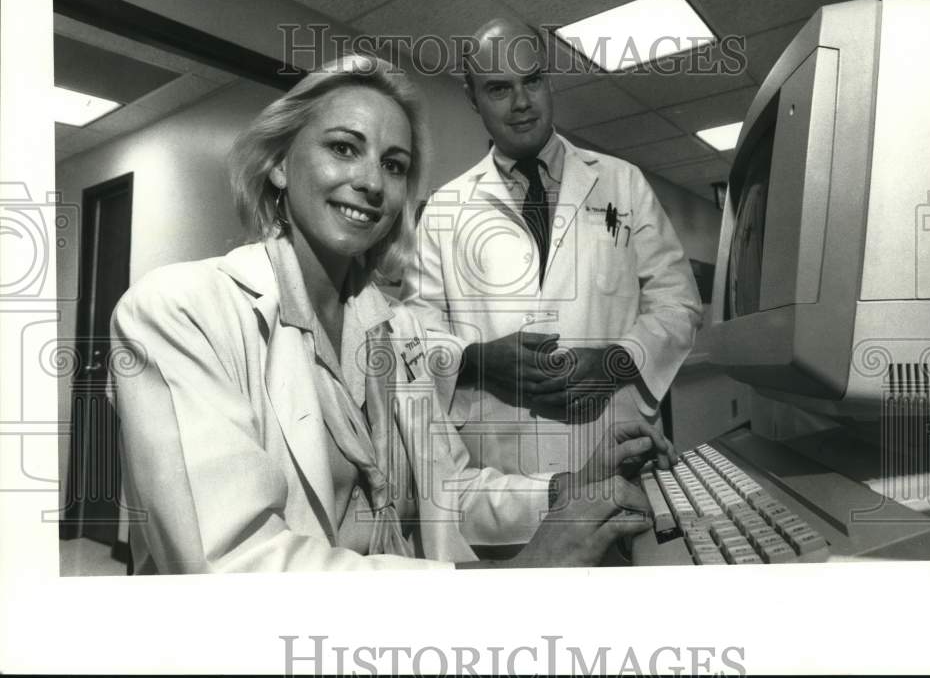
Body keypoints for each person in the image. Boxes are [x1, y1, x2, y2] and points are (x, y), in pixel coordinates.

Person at [108, 53, 675, 574]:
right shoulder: (179, 313)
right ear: (279, 163)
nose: (372, 182)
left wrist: (566, 490)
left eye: (395, 164)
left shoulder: (399, 333)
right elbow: (234, 567)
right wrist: (517, 579)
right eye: (343, 148)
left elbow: (448, 492)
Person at [401, 19, 702, 477]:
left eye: (533, 81)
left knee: (631, 547)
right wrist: (478, 360)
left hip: (613, 446)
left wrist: (615, 361)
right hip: (498, 468)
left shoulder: (623, 183)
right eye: (499, 89)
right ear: (471, 97)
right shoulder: (445, 207)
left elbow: (677, 304)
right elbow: (414, 328)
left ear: (549, 79)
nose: (522, 103)